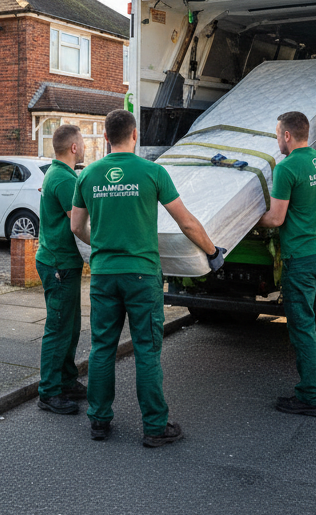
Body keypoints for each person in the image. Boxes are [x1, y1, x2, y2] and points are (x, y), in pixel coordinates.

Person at [70, 109, 225, 447]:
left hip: (104, 275)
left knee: (101, 349)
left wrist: (102, 245)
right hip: (142, 276)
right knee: (146, 351)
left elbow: (76, 227)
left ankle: (98, 420)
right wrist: (213, 253)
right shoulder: (153, 172)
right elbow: (186, 223)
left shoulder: (88, 175)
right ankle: (155, 426)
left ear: (107, 139)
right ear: (135, 135)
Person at [257, 110, 316, 416]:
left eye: (278, 134)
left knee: (302, 325)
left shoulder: (287, 168)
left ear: (287, 136)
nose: (277, 139)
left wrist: (249, 221)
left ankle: (309, 396)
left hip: (302, 257)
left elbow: (276, 218)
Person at [35, 124, 88, 416]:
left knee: (70, 325)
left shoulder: (59, 174)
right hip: (58, 264)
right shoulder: (64, 179)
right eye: (82, 141)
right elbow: (78, 223)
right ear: (74, 148)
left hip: (61, 262)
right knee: (58, 329)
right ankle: (49, 392)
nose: (84, 145)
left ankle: (67, 380)